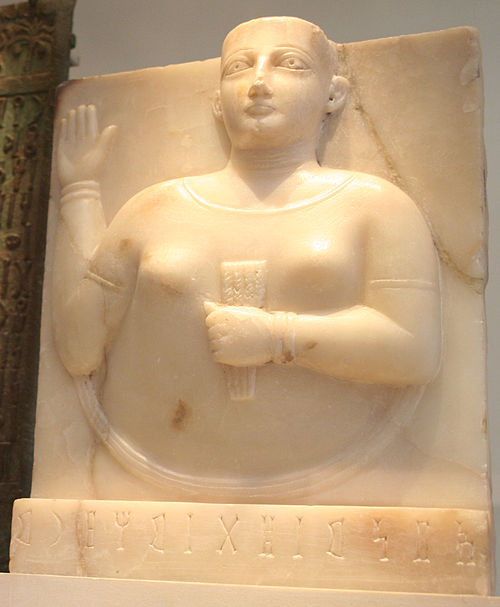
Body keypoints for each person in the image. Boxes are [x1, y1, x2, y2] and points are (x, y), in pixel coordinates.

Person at [53, 17, 441, 501]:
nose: (258, 83)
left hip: (332, 480)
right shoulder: (156, 208)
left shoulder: (377, 206)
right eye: (239, 68)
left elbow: (414, 349)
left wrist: (278, 336)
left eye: (290, 65)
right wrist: (81, 194)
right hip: (160, 470)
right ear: (217, 101)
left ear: (334, 94)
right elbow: (79, 349)